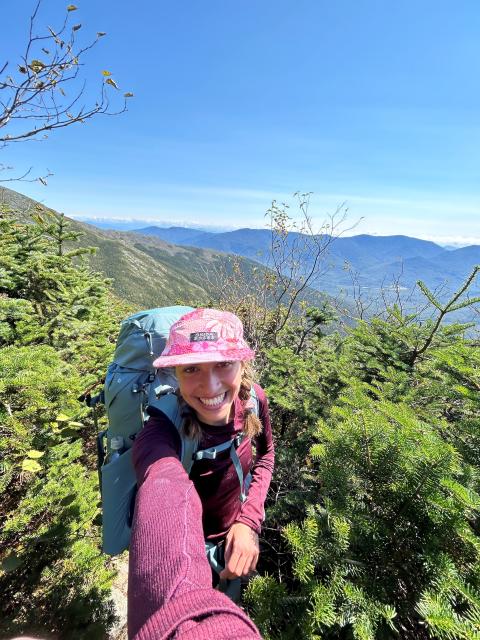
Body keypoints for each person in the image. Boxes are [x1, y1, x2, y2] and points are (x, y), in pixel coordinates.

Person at [128, 308, 274, 638]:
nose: (209, 387)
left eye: (223, 364)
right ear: (175, 373)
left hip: (234, 540)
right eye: (191, 368)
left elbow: (265, 457)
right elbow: (162, 487)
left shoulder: (253, 402)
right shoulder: (161, 431)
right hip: (188, 552)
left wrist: (248, 522)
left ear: (242, 364)